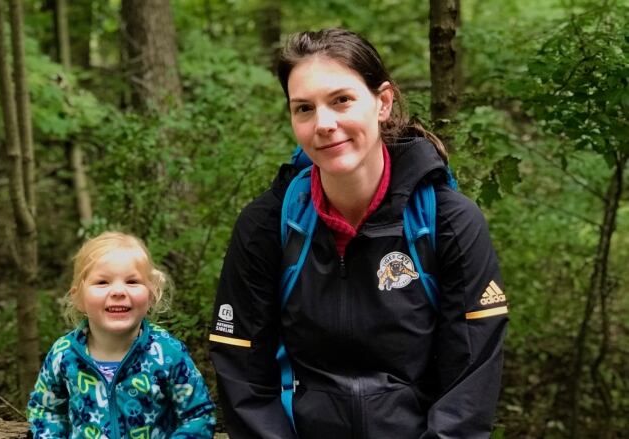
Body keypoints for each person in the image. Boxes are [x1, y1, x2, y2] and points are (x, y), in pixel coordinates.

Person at [209, 28, 508, 438]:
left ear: (382, 102)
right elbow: (241, 365)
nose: (324, 124)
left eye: (341, 100)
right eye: (304, 109)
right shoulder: (268, 224)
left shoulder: (448, 222)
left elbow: (470, 383)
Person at [28, 231, 216, 439]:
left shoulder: (167, 353)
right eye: (102, 282)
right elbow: (44, 409)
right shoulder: (64, 355)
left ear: (151, 295)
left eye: (132, 281)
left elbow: (198, 415)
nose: (118, 291)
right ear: (79, 298)